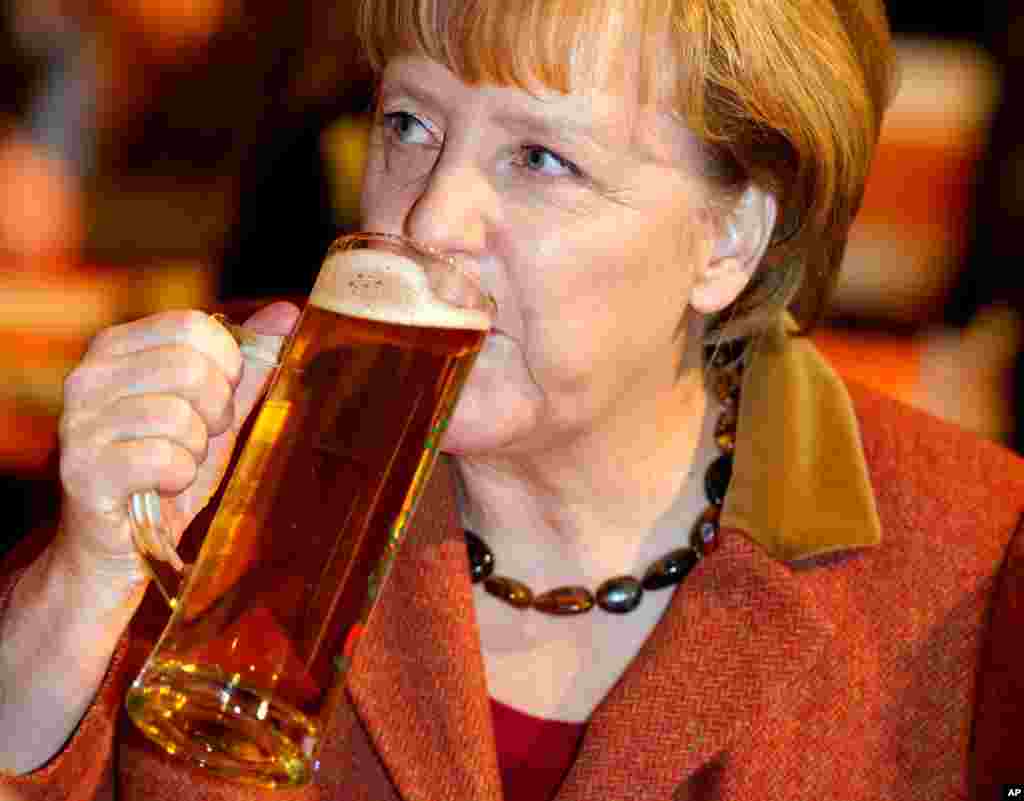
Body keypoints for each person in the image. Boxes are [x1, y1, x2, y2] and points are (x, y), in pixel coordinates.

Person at [2, 0, 1023, 798]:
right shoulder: (229, 448)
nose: (432, 216)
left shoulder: (973, 564)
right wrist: (73, 596)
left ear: (729, 241)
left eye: (539, 158)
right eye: (407, 123)